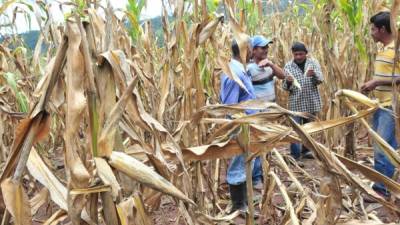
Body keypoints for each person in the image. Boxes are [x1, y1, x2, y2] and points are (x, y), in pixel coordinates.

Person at [361, 11, 400, 198]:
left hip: (391, 106)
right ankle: (383, 184)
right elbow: (388, 76)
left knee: (383, 147)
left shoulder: (397, 47)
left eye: (373, 29)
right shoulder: (384, 49)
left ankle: (381, 189)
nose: (371, 32)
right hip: (380, 104)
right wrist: (374, 83)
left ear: (382, 29)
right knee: (383, 146)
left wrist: (377, 82)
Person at [220, 39, 261, 212]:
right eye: (251, 48)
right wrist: (239, 128)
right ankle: (239, 205)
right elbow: (231, 106)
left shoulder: (240, 69)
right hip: (240, 126)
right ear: (244, 50)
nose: (253, 52)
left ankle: (245, 199)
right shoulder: (233, 73)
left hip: (247, 125)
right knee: (239, 162)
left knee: (246, 162)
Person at [282, 42, 323, 159]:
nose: (298, 57)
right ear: (293, 54)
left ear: (306, 53)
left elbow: (320, 80)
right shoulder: (288, 66)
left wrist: (314, 75)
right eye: (296, 54)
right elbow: (285, 88)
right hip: (296, 103)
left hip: (311, 102)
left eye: (301, 54)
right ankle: (294, 155)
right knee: (295, 129)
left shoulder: (313, 63)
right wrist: (288, 82)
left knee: (309, 128)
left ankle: (306, 151)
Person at [247, 35, 286, 103]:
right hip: (260, 111)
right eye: (263, 48)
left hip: (272, 108)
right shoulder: (249, 68)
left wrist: (271, 65)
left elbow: (283, 76)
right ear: (253, 50)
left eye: (267, 47)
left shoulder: (269, 65)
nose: (266, 50)